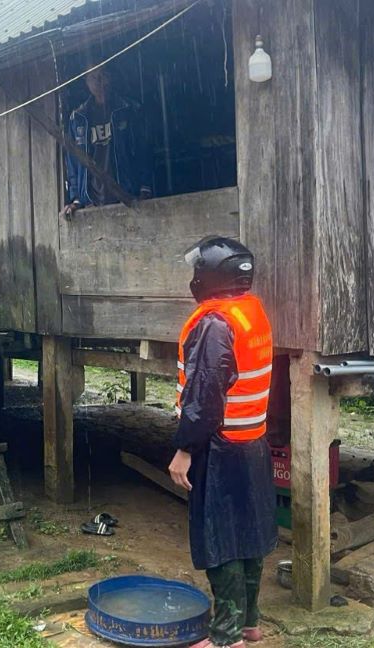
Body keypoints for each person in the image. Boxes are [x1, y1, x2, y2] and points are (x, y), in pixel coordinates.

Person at [168, 236, 277, 648]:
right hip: (252, 441)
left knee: (221, 540)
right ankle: (250, 623)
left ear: (208, 277)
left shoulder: (214, 324)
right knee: (250, 533)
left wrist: (183, 450)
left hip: (220, 446)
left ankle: (226, 638)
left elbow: (203, 399)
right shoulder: (250, 314)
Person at [61, 64, 153, 217]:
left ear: (111, 77)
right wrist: (77, 200)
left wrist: (145, 189)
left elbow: (142, 151)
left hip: (126, 197)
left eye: (103, 75)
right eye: (93, 77)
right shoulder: (77, 118)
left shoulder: (128, 109)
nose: (99, 82)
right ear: (86, 81)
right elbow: (73, 163)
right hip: (92, 201)